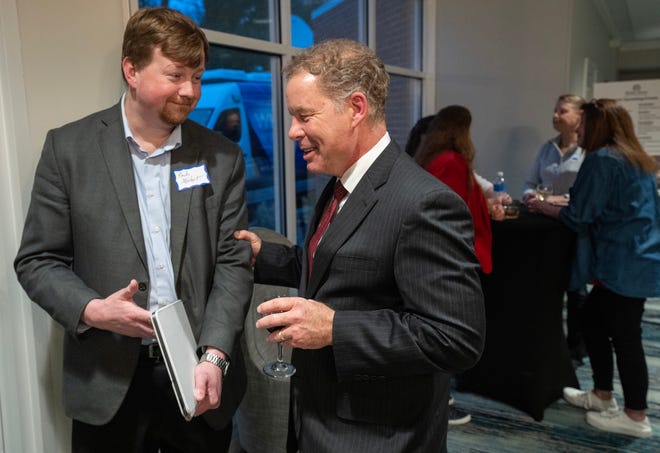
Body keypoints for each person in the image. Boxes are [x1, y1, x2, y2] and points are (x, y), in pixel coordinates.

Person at [14, 7, 253, 452]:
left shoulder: (221, 157)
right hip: (106, 378)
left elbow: (234, 264)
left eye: (198, 77)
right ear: (132, 70)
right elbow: (37, 261)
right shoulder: (69, 150)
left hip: (199, 372)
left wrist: (216, 355)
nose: (190, 91)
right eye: (176, 75)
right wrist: (92, 309)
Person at [235, 38, 485, 452]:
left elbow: (456, 338)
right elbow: (343, 267)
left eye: (304, 115)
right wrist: (266, 257)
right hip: (322, 417)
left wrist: (334, 328)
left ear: (355, 108)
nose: (293, 131)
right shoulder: (341, 184)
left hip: (376, 436)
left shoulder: (424, 203)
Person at [527, 98, 660, 438]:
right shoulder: (635, 158)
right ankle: (602, 396)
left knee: (626, 338)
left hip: (621, 263)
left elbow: (578, 216)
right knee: (593, 321)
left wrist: (542, 207)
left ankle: (635, 416)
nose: (578, 130)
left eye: (583, 124)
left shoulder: (601, 160)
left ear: (598, 126)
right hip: (636, 258)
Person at [414, 105, 493, 425]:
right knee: (445, 331)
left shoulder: (437, 159)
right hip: (450, 259)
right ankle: (439, 402)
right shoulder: (451, 161)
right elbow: (449, 215)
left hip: (440, 258)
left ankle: (438, 399)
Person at [522, 94, 588, 366]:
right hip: (545, 229)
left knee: (576, 289)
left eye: (562, 111)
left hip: (573, 228)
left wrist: (553, 201)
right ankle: (550, 344)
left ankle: (577, 347)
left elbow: (585, 197)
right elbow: (529, 184)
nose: (555, 116)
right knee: (548, 286)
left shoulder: (587, 153)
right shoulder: (546, 148)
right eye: (554, 111)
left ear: (578, 118)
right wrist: (532, 197)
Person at [406, 114, 510, 221]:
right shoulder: (413, 168)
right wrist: (486, 205)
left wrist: (498, 197)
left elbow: (480, 184)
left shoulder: (451, 162)